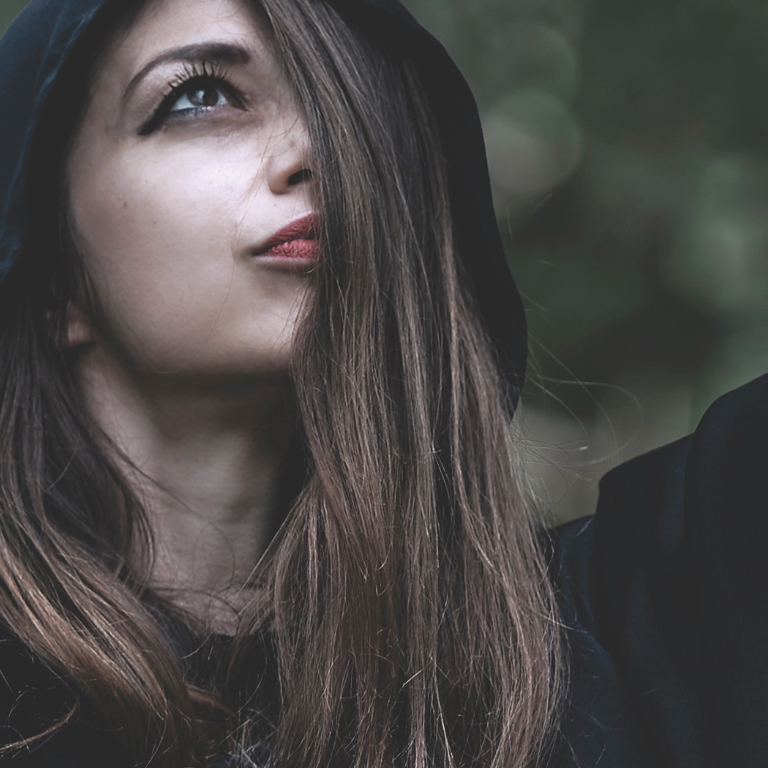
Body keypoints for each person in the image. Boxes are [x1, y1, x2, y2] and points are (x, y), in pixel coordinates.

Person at [0, 0, 562, 766]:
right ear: (51, 276)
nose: (318, 149)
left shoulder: (551, 664)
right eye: (198, 97)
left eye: (348, 102)